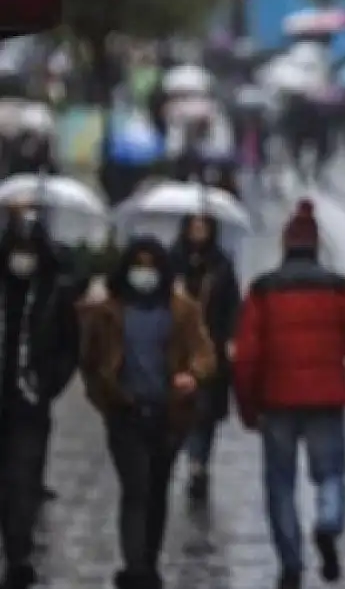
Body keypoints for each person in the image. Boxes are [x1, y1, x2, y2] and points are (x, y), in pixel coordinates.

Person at [233, 200, 345, 589]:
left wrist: (247, 406)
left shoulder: (263, 290)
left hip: (276, 402)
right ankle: (328, 522)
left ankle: (291, 562)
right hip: (327, 399)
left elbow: (246, 356)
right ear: (316, 246)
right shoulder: (338, 287)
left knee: (280, 483)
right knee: (331, 474)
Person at [78, 236, 216, 589]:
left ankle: (148, 561)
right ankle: (135, 566)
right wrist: (105, 398)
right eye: (138, 265)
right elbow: (91, 360)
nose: (145, 273)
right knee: (135, 487)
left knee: (156, 490)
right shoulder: (110, 310)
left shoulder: (181, 310)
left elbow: (204, 352)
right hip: (125, 413)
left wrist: (193, 375)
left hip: (168, 415)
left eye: (151, 266)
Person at [0, 212, 80, 589]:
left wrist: (47, 384)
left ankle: (18, 554)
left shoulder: (53, 292)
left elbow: (69, 345)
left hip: (29, 403)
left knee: (22, 479)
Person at [171, 215, 241, 503]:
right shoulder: (173, 261)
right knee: (183, 408)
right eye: (194, 226)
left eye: (204, 226)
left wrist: (231, 339)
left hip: (211, 347)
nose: (198, 231)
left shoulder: (221, 264)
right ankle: (192, 459)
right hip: (177, 348)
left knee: (205, 412)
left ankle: (198, 463)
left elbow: (233, 305)